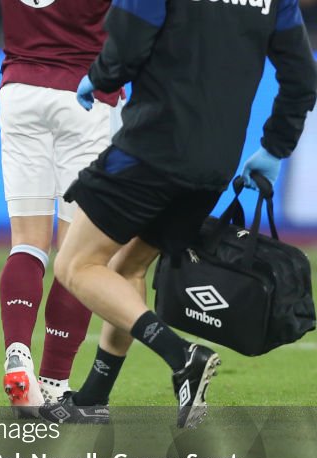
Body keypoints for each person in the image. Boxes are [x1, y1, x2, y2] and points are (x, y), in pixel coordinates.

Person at [45, 0, 316, 427]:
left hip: (149, 150)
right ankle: (93, 397)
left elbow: (129, 44)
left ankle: (182, 356)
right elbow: (302, 77)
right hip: (213, 166)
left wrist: (99, 78)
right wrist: (276, 147)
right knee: (126, 266)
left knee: (75, 264)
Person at [0, 0, 123, 412]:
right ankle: (53, 385)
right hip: (89, 95)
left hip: (21, 93)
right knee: (79, 253)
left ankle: (18, 351)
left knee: (28, 243)